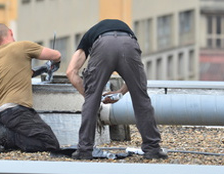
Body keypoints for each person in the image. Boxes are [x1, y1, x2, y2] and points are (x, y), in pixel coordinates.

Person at [66, 19, 168, 160]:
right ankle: (152, 149)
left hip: (103, 46)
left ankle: (85, 150)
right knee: (141, 99)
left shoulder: (87, 39)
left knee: (91, 100)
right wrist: (120, 92)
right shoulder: (125, 32)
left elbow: (71, 72)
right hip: (129, 43)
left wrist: (92, 97)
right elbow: (136, 83)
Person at [0, 23, 61, 152]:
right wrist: (52, 63)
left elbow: (25, 73)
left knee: (32, 136)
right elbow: (56, 55)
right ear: (10, 32)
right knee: (49, 143)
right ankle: (6, 136)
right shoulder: (22, 46)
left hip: (1, 112)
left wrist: (44, 68)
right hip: (17, 110)